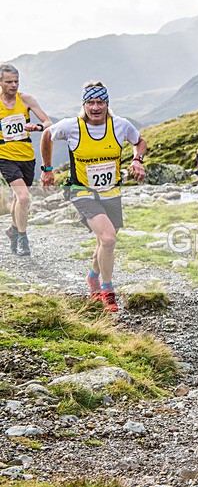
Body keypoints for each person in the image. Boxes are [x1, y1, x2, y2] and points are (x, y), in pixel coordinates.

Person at [41, 82, 146, 311]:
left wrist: (137, 160)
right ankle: (107, 291)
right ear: (84, 104)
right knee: (108, 239)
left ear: (107, 104)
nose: (95, 107)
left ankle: (92, 276)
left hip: (111, 191)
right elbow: (47, 135)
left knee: (105, 242)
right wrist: (47, 169)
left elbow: (140, 141)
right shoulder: (72, 127)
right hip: (81, 191)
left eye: (100, 102)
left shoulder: (120, 125)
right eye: (91, 102)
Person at [0, 63, 53, 256]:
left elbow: (48, 123)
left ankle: (12, 231)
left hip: (27, 155)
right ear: (0, 82)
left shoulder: (27, 99)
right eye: (9, 82)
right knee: (24, 197)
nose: (13, 85)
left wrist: (37, 127)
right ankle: (22, 238)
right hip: (5, 156)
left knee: (17, 199)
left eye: (16, 81)